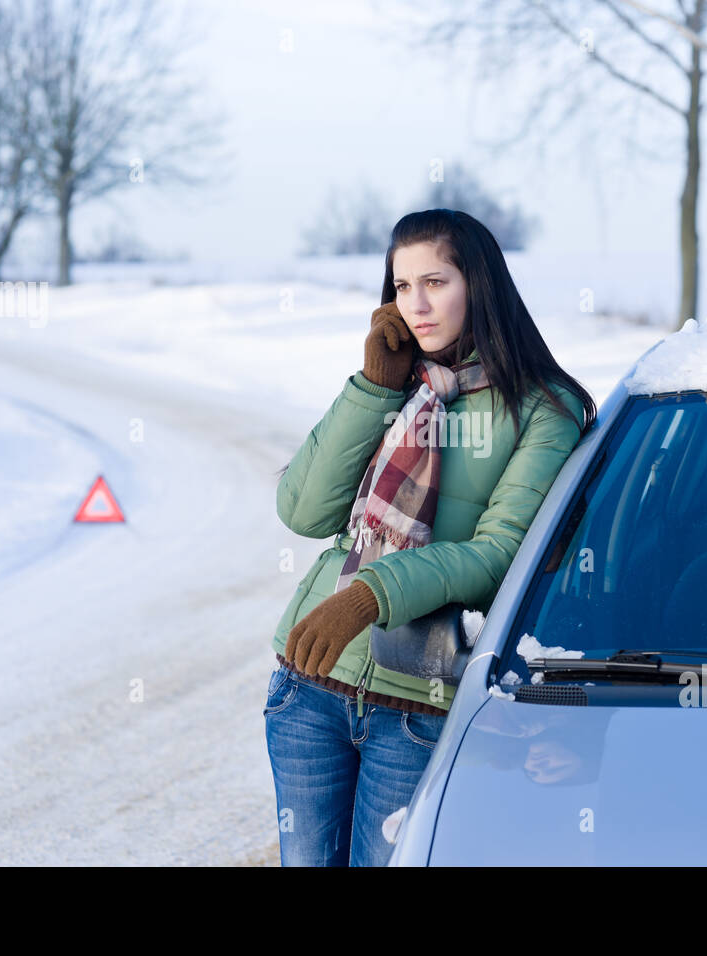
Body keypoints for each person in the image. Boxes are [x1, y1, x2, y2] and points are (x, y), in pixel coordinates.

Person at [264, 208, 595, 866]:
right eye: (401, 286)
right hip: (309, 690)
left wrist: (368, 596)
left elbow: (501, 555)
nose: (415, 303)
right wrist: (373, 388)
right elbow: (303, 512)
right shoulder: (398, 385)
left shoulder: (544, 409)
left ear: (479, 284)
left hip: (417, 705)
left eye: (435, 282)